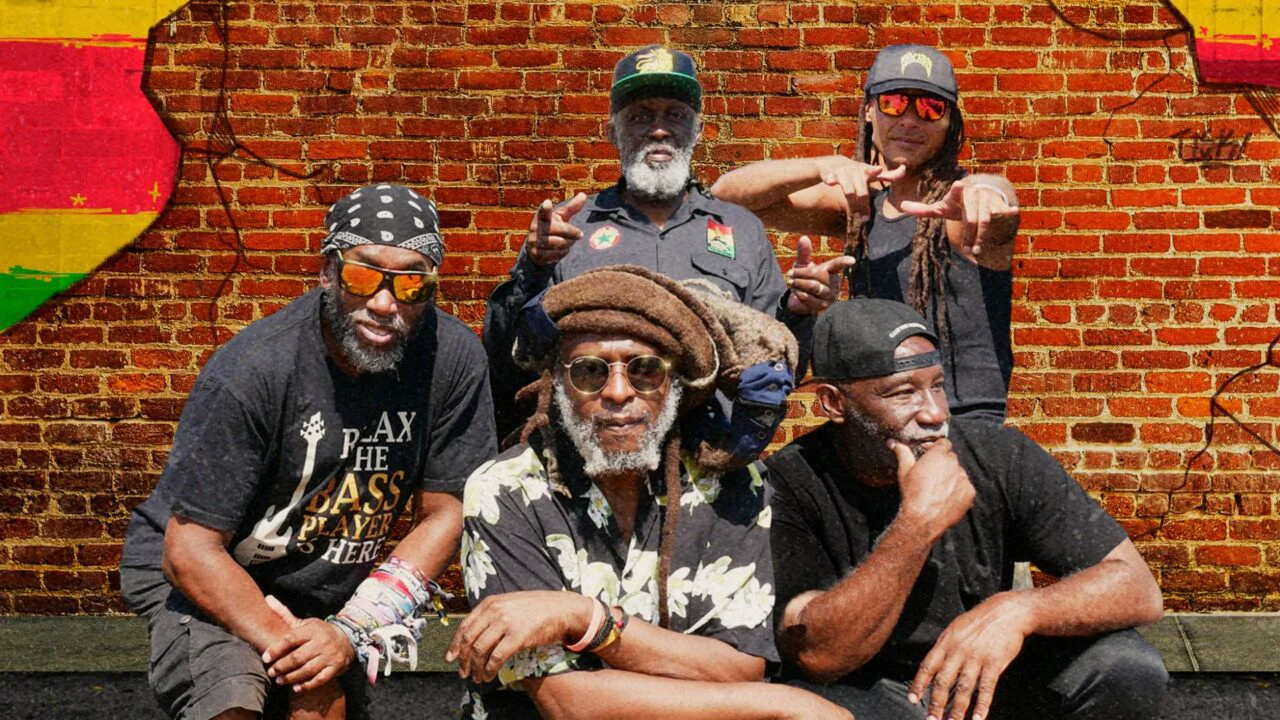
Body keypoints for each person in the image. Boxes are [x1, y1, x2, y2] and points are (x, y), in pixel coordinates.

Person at [119, 184, 498, 720]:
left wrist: (349, 629)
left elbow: (447, 513)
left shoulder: (452, 359)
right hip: (204, 566)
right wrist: (296, 645)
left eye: (411, 282)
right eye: (362, 276)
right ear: (328, 271)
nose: (384, 303)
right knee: (233, 701)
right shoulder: (255, 369)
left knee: (320, 700)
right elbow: (190, 551)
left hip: (323, 584)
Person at [450, 265, 850, 720]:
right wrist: (781, 703)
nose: (618, 392)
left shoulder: (730, 484)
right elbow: (568, 702)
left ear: (676, 383)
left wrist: (584, 618)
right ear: (557, 383)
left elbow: (739, 666)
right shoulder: (507, 488)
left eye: (644, 370)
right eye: (589, 371)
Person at [763, 298, 1168, 720]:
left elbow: (1138, 588)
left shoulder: (999, 455)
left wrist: (1019, 610)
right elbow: (819, 656)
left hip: (979, 669)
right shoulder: (789, 483)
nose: (935, 413)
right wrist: (917, 523)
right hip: (866, 686)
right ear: (834, 403)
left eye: (937, 385)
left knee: (1125, 668)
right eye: (903, 392)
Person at [485, 45, 847, 438]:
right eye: (640, 116)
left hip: (709, 453)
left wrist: (798, 312)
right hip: (595, 448)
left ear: (698, 130)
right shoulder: (568, 228)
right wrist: (534, 267)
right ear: (611, 132)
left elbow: (778, 367)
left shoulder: (741, 228)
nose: (659, 130)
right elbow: (509, 361)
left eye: (675, 115)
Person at [712, 44, 1022, 421]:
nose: (910, 120)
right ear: (869, 111)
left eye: (930, 108)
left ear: (948, 122)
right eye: (894, 103)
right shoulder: (861, 208)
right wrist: (821, 165)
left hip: (961, 424)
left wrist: (989, 193)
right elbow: (727, 197)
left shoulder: (959, 210)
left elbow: (996, 201)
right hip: (882, 422)